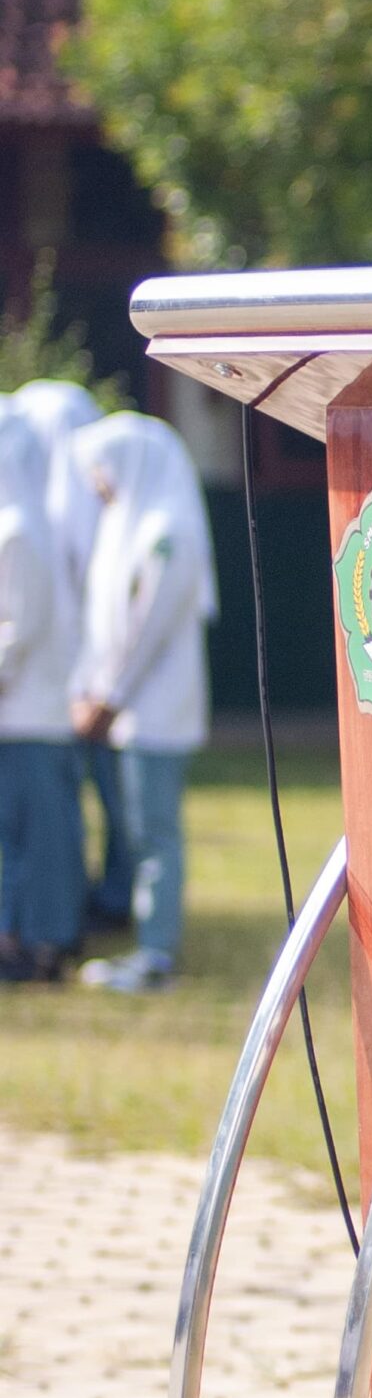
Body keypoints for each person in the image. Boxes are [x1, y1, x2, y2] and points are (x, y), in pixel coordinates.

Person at [66, 414, 216, 992]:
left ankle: (156, 956)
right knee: (137, 832)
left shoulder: (165, 531)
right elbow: (104, 626)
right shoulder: (127, 524)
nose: (96, 482)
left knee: (155, 837)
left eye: (100, 468)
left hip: (154, 713)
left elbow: (147, 630)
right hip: (125, 711)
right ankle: (148, 941)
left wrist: (108, 697)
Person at [10, 378, 133, 930]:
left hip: (81, 684)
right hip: (58, 683)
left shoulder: (42, 516)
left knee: (81, 803)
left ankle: (100, 903)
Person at [0, 407, 87, 980]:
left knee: (35, 844)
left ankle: (39, 948)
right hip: (26, 714)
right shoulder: (30, 523)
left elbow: (19, 627)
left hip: (28, 715)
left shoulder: (18, 530)